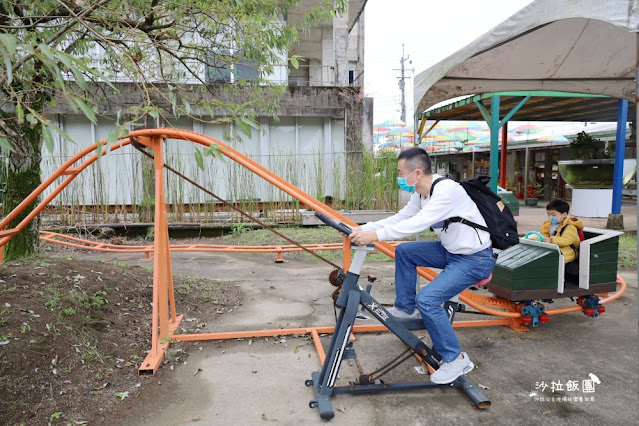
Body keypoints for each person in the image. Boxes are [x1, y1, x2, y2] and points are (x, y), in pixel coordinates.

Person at [348, 147, 496, 385]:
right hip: (451, 251)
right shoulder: (421, 194)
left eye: (400, 172)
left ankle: (456, 358)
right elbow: (401, 218)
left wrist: (375, 235)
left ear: (416, 173)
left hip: (474, 258)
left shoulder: (446, 191)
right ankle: (405, 308)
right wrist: (365, 228)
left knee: (428, 299)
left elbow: (417, 224)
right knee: (405, 252)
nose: (398, 177)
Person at [539, 198, 584, 268]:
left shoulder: (570, 226)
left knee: (555, 259)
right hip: (555, 247)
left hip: (569, 251)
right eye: (548, 214)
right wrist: (542, 238)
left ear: (564, 214)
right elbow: (544, 233)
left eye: (553, 215)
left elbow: (567, 240)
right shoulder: (548, 224)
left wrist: (551, 240)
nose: (550, 217)